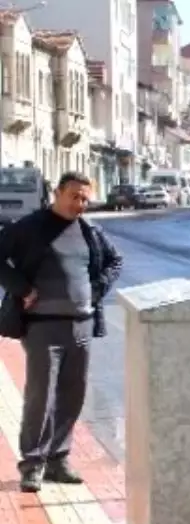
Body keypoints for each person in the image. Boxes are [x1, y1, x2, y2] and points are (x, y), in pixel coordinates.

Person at [0, 172, 123, 492]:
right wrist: (21, 288)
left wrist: (96, 291)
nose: (79, 204)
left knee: (72, 394)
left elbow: (115, 261)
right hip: (42, 326)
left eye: (85, 199)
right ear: (57, 193)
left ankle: (58, 459)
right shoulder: (31, 227)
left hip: (80, 325)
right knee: (40, 396)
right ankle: (32, 463)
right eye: (74, 196)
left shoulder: (89, 231)